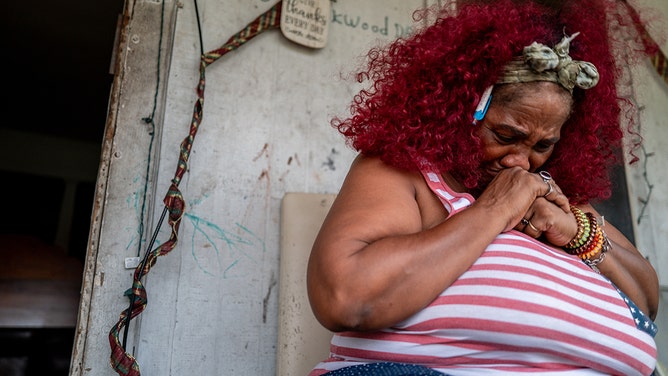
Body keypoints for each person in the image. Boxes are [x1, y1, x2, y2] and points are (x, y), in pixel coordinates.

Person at [306, 0, 661, 375]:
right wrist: (495, 209)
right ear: (461, 108)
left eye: (544, 145)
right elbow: (345, 297)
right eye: (505, 135)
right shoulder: (406, 174)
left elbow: (646, 302)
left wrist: (574, 230)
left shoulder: (559, 198)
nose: (520, 162)